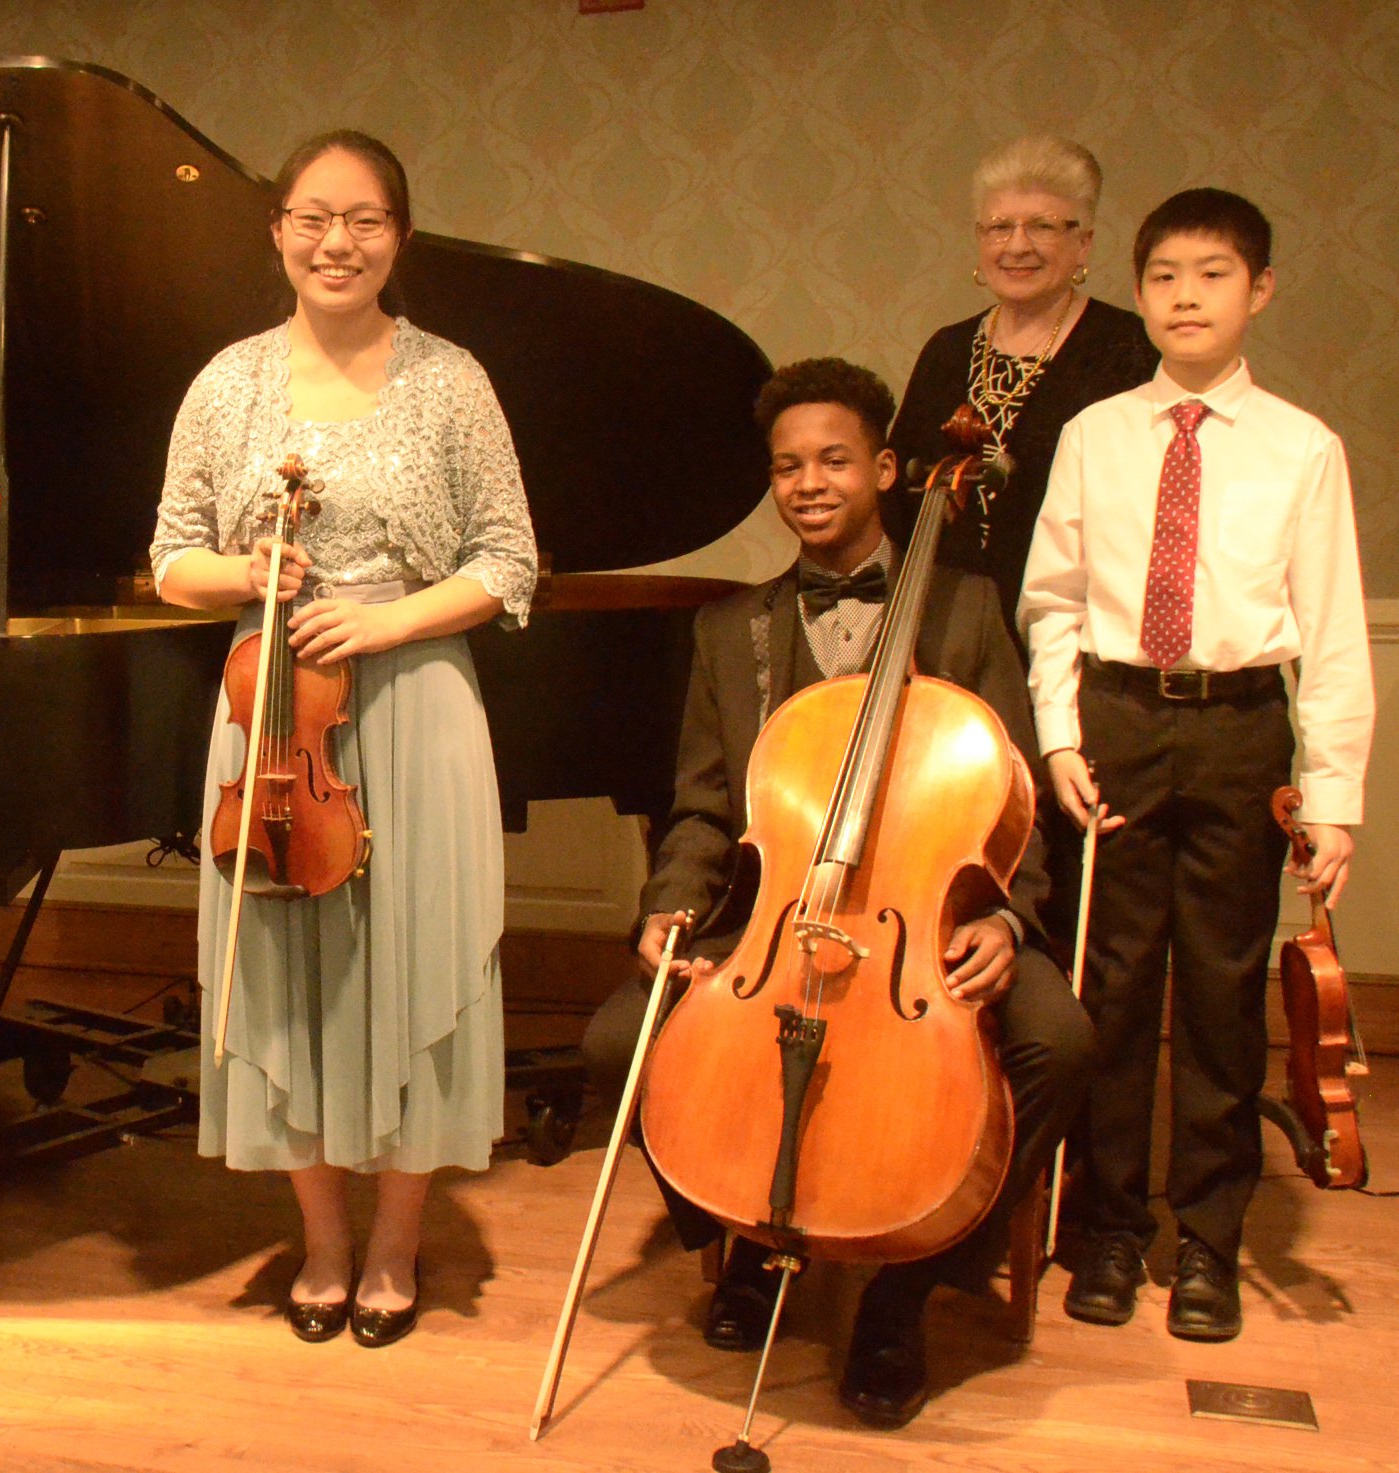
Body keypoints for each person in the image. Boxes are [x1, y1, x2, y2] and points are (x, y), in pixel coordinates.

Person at [582, 358, 1092, 1427]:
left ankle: (904, 1291)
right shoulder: (734, 630)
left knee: (1057, 1041)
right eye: (786, 468)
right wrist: (670, 908)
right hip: (776, 928)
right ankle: (752, 1246)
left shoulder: (962, 608)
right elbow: (702, 808)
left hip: (933, 922)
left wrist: (1003, 918)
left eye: (832, 461)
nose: (808, 483)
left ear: (887, 470)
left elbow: (1013, 801)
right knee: (613, 1045)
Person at [149, 130, 537, 1348]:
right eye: (313, 217)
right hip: (272, 718)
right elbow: (170, 561)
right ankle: (318, 1240)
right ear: (276, 231)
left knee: (410, 961)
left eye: (363, 220)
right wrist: (245, 568)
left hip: (413, 699)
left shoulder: (452, 379)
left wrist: (382, 623)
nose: (336, 241)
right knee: (290, 977)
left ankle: (395, 1239)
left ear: (399, 239)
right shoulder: (225, 383)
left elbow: (508, 562)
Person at [1022, 188, 1373, 1343]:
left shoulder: (1301, 449)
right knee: (1112, 988)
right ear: (1137, 291)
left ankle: (1209, 1239)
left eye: (1212, 274)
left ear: (1258, 291)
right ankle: (1109, 1229)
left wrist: (1332, 798)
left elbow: (1327, 637)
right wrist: (1062, 738)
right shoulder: (1095, 435)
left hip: (1235, 733)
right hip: (1118, 720)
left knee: (1219, 993)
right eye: (1163, 274)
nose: (1184, 295)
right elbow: (1053, 604)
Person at [889, 136, 1157, 628]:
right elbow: (895, 505)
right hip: (948, 630)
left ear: (1084, 243)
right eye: (999, 227)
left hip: (1077, 628)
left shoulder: (1130, 351)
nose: (1017, 245)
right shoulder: (946, 352)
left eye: (1043, 226)